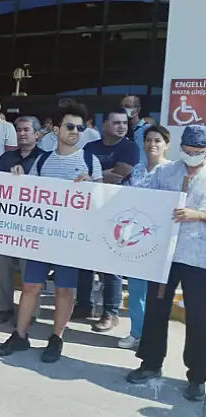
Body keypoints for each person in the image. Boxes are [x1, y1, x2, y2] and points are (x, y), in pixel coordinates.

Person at [0, 103, 102, 363]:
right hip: (41, 238)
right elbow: (30, 196)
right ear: (56, 130)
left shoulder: (90, 161)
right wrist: (18, 178)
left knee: (64, 291)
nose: (75, 131)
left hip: (71, 239)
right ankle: (20, 335)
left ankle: (57, 338)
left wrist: (91, 188)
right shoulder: (42, 160)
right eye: (69, 126)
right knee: (30, 286)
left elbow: (101, 204)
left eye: (79, 128)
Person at [126, 125, 206, 402]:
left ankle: (197, 377)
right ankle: (150, 363)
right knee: (156, 310)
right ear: (180, 148)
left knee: (199, 318)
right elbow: (145, 202)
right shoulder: (165, 171)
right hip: (165, 255)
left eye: (198, 152)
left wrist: (198, 214)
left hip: (199, 258)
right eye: (188, 150)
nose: (192, 156)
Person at [77, 109, 140, 333]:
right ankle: (83, 305)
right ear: (104, 125)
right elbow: (80, 172)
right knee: (83, 261)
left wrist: (94, 176)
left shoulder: (130, 147)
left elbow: (120, 173)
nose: (122, 127)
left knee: (111, 265)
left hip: (117, 212)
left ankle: (110, 313)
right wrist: (102, 175)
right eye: (116, 123)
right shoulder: (90, 147)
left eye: (124, 123)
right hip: (91, 209)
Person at [117, 125, 170, 350]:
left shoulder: (172, 171)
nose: (152, 144)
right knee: (136, 290)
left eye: (157, 140)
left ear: (166, 145)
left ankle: (152, 338)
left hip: (161, 240)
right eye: (148, 140)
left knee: (156, 295)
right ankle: (136, 333)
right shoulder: (137, 170)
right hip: (136, 238)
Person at [0, 116, 44, 324]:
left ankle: (30, 312)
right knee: (1, 264)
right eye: (19, 130)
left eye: (26, 130)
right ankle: (3, 307)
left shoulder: (45, 159)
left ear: (37, 135)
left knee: (29, 270)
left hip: (32, 224)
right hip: (7, 221)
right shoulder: (6, 158)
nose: (22, 133)